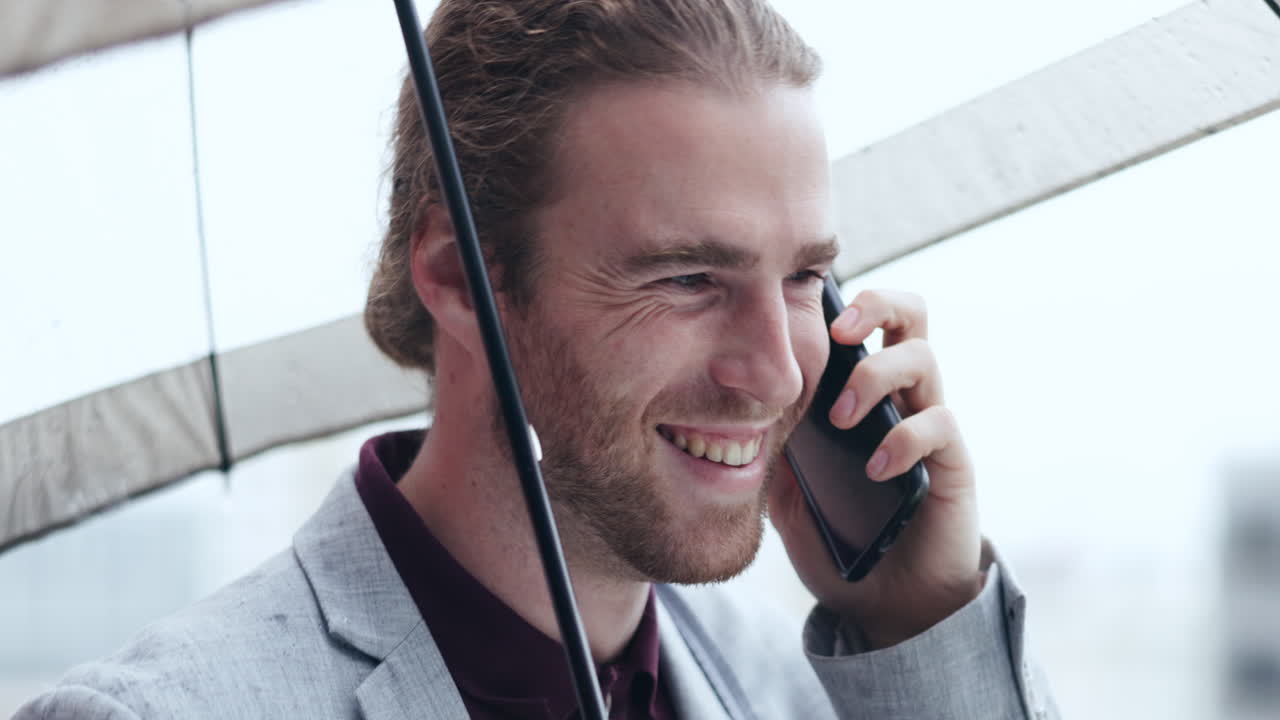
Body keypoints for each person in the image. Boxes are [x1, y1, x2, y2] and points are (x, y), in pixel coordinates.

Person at [17, 0, 1058, 718]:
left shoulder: (787, 689)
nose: (777, 374)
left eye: (800, 278)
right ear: (461, 277)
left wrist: (916, 620)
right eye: (686, 277)